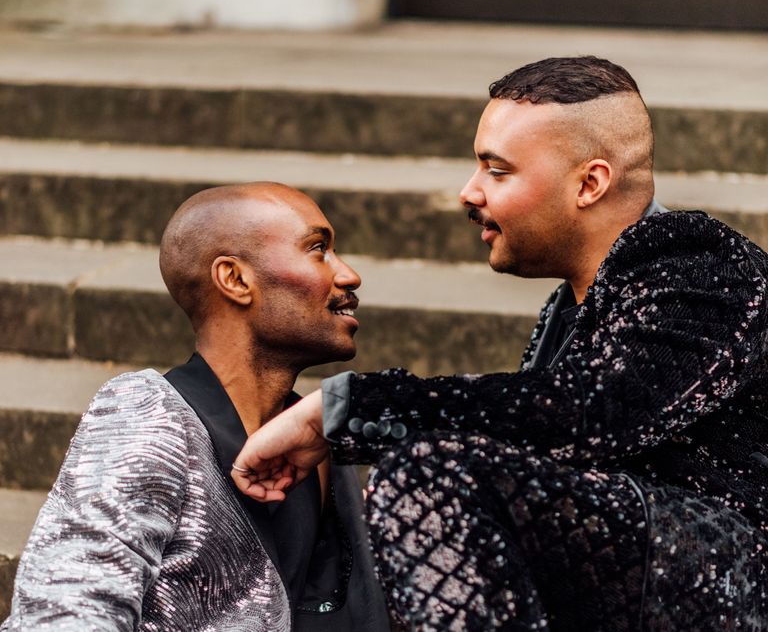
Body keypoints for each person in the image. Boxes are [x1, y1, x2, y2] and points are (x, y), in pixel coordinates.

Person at [231, 58, 768, 631]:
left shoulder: (705, 268)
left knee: (430, 477)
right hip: (651, 577)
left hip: (737, 582)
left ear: (590, 183)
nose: (469, 192)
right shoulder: (580, 303)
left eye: (497, 170)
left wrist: (350, 407)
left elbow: (594, 412)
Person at [2, 183, 389, 631]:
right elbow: (61, 613)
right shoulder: (148, 415)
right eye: (318, 249)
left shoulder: (316, 444)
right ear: (235, 279)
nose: (348, 275)